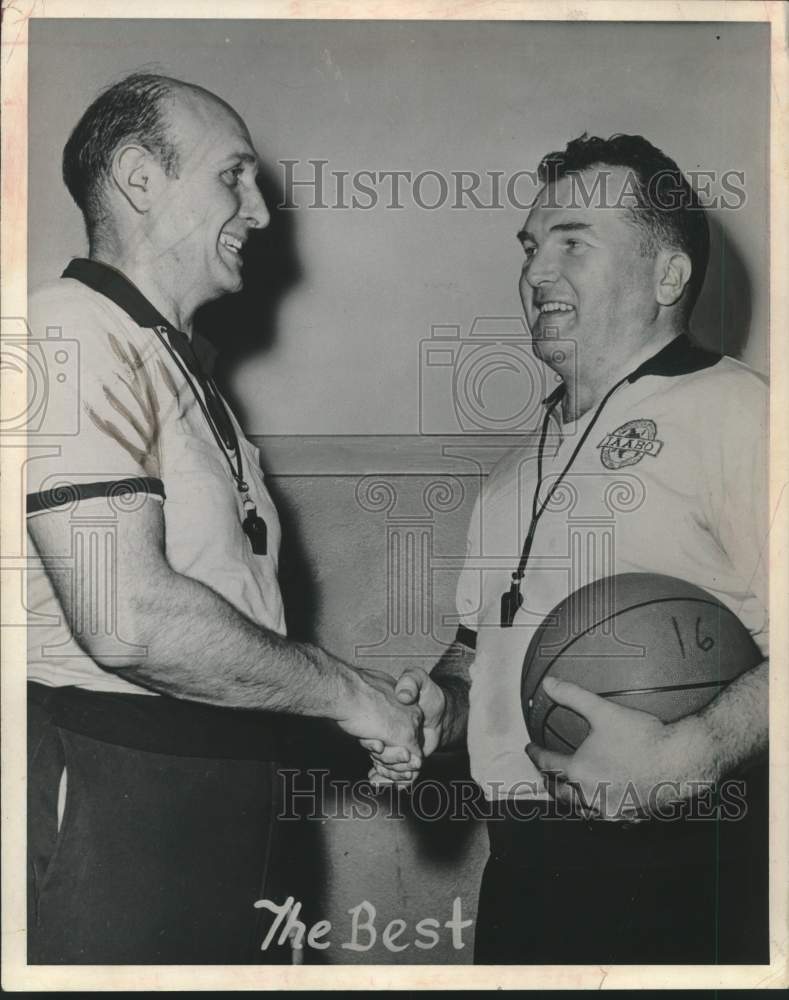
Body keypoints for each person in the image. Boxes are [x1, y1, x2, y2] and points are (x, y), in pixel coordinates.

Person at [25, 72, 423, 964]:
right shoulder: (68, 331)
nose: (261, 212)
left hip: (214, 782)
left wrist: (349, 702)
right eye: (231, 177)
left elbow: (225, 613)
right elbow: (127, 619)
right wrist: (350, 697)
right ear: (137, 178)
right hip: (110, 779)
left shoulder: (175, 362)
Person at [365, 134, 769, 964]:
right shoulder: (517, 470)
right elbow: (478, 653)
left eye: (572, 241)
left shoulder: (738, 410)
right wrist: (441, 709)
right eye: (529, 247)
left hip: (694, 869)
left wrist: (694, 753)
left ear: (667, 275)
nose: (535, 272)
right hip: (524, 869)